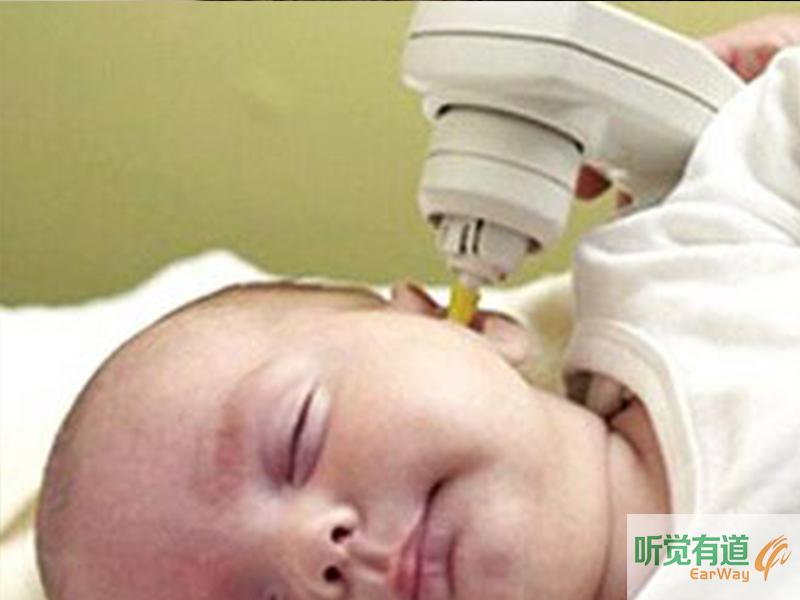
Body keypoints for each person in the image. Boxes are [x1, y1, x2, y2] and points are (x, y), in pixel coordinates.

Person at [33, 18, 800, 600]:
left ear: (456, 324)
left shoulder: (689, 259)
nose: (315, 557)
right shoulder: (704, 556)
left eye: (298, 438)